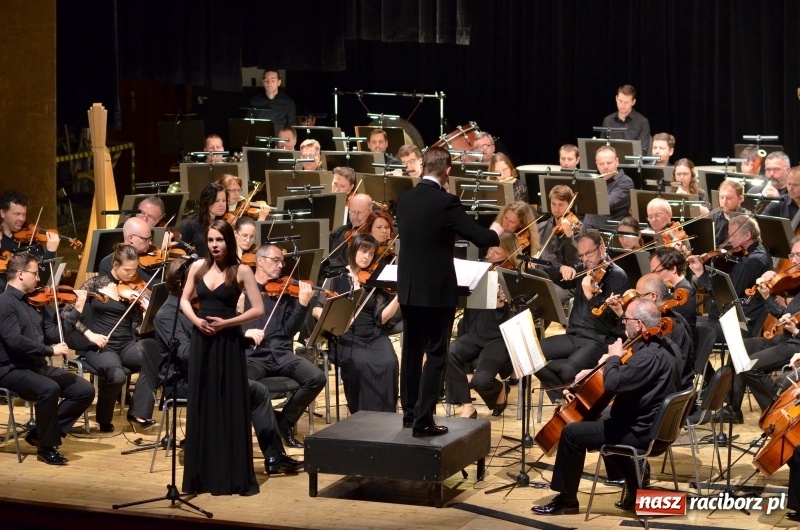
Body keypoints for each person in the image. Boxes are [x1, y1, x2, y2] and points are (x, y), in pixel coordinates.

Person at [531, 298, 680, 516]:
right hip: (653, 425)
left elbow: (612, 383)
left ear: (639, 324)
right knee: (599, 421)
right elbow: (631, 380)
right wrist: (598, 370)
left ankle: (566, 501)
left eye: (626, 319)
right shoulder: (667, 346)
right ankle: (635, 488)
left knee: (571, 433)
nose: (623, 323)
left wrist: (613, 358)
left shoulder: (646, 357)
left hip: (640, 432)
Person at [155, 257, 301, 475]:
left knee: (255, 390)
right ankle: (265, 456)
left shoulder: (197, 308)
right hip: (183, 382)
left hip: (207, 374)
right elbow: (186, 354)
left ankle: (271, 456)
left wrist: (238, 336)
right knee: (254, 391)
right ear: (182, 284)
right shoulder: (167, 315)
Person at [396, 146, 503, 436]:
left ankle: (409, 415)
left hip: (408, 289)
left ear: (422, 166)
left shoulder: (405, 199)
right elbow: (481, 237)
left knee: (411, 352)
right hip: (435, 294)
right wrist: (497, 229)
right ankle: (424, 421)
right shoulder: (446, 202)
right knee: (436, 354)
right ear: (447, 171)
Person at [179, 220, 265, 496]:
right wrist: (197, 321)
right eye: (211, 240)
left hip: (228, 342)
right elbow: (184, 300)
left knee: (228, 402)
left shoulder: (241, 270)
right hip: (202, 340)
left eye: (220, 240)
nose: (215, 245)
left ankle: (230, 475)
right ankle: (201, 476)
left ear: (229, 241)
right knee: (203, 401)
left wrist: (227, 323)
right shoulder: (197, 267)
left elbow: (258, 309)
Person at [0, 253, 95, 465]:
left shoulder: (34, 302)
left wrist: (77, 310)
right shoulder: (5, 303)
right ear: (20, 273)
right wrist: (49, 351)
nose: (38, 279)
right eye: (35, 274)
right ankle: (47, 447)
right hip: (11, 369)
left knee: (84, 390)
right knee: (49, 389)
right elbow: (14, 341)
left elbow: (54, 334)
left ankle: (39, 434)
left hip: (36, 366)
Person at [61, 244, 162, 432]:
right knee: (116, 376)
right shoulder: (95, 284)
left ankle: (138, 413)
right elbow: (67, 312)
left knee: (153, 359)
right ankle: (104, 419)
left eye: (135, 270)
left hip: (126, 344)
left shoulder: (135, 289)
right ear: (115, 265)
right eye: (127, 270)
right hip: (101, 346)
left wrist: (145, 311)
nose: (132, 274)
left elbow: (137, 328)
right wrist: (89, 334)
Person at [241, 244, 326, 449]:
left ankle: (284, 422)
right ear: (260, 261)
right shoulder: (242, 291)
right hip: (253, 356)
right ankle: (263, 425)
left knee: (317, 377)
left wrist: (302, 305)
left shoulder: (284, 292)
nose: (281, 265)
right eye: (276, 260)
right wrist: (244, 333)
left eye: (282, 262)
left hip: (280, 354)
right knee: (242, 384)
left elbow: (288, 332)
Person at [714, 236, 800, 424]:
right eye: (792, 255)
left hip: (796, 344)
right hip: (786, 338)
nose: (794, 260)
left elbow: (791, 321)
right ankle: (732, 409)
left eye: (798, 256)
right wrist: (768, 295)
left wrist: (796, 331)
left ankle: (777, 416)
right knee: (739, 347)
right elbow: (785, 314)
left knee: (750, 367)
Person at [535, 231, 628, 402]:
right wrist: (561, 268)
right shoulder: (583, 269)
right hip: (574, 335)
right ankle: (564, 401)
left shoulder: (617, 276)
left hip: (598, 339)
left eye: (589, 253)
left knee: (568, 371)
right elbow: (553, 276)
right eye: (581, 255)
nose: (585, 259)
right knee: (532, 355)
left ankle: (576, 405)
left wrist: (591, 296)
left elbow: (610, 317)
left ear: (601, 249)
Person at [312, 234, 401, 413]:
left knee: (390, 362)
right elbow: (316, 309)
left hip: (374, 336)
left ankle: (386, 416)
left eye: (371, 253)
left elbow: (381, 318)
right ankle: (361, 414)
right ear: (353, 250)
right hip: (346, 336)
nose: (367, 257)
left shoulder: (374, 280)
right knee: (361, 364)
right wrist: (336, 321)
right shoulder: (336, 276)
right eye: (363, 251)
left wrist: (399, 298)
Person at [445, 244, 514, 418]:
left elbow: (512, 319)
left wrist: (500, 307)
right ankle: (467, 406)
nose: (491, 254)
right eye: (490, 250)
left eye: (497, 252)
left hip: (497, 340)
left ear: (508, 253)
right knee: (448, 353)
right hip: (474, 335)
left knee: (480, 382)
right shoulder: (476, 271)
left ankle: (499, 389)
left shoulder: (511, 278)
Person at [688, 215, 771, 341]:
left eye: (733, 235)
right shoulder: (758, 252)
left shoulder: (752, 261)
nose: (730, 239)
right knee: (686, 324)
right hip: (729, 319)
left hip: (738, 325)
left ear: (747, 235)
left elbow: (726, 298)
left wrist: (701, 274)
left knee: (687, 329)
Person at [537, 186, 579, 304]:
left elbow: (574, 262)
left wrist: (569, 236)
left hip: (564, 283)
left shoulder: (578, 229)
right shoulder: (541, 227)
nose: (556, 209)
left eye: (561, 205)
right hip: (543, 277)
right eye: (553, 204)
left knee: (546, 299)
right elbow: (539, 256)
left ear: (570, 204)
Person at [581, 146, 634, 231]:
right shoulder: (594, 180)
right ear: (597, 164)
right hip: (587, 229)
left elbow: (606, 204)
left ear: (617, 162)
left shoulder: (626, 182)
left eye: (609, 163)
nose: (605, 167)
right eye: (601, 164)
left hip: (608, 231)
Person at [323, 193, 372, 277]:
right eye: (352, 212)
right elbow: (323, 256)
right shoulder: (338, 232)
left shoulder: (372, 234)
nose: (355, 216)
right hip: (331, 275)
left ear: (370, 212)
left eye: (360, 213)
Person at [0, 190, 60, 258]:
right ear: (2, 213)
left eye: (24, 214)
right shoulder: (1, 240)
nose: (22, 219)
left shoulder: (30, 241)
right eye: (17, 214)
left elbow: (42, 264)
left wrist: (50, 251)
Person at [649, 247, 697, 330]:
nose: (654, 276)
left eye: (657, 272)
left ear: (673, 269)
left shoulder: (682, 294)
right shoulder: (681, 287)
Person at [98, 216, 155, 281]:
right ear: (131, 238)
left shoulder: (154, 257)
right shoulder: (107, 263)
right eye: (146, 239)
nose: (150, 243)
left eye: (150, 238)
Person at [600, 84, 652, 156]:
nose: (622, 105)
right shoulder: (608, 121)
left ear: (633, 102)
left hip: (633, 161)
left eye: (626, 102)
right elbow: (602, 148)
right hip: (611, 161)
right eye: (620, 101)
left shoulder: (642, 122)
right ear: (616, 98)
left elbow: (643, 150)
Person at [179, 182, 227, 257]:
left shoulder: (222, 223)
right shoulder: (191, 224)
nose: (222, 204)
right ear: (207, 202)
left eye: (224, 200)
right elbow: (179, 252)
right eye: (217, 201)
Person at [709, 180, 748, 246]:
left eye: (729, 198)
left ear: (740, 199)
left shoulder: (748, 220)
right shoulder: (711, 218)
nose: (724, 202)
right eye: (721, 197)